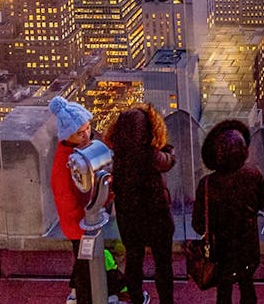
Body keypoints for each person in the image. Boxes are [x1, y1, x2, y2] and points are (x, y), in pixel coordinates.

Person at [104, 104, 176, 304]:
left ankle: (136, 299)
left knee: (134, 261)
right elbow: (169, 161)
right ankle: (166, 301)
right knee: (163, 264)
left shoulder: (119, 156)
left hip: (129, 217)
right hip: (157, 215)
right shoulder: (150, 155)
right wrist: (167, 147)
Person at [193, 120, 264, 304]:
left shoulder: (207, 184)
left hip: (221, 251)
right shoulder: (254, 175)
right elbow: (261, 204)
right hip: (248, 247)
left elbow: (198, 224)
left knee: (223, 292)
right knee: (247, 285)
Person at [49, 96, 97, 304]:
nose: (86, 134)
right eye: (80, 132)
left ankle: (76, 292)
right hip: (79, 223)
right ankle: (81, 296)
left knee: (82, 260)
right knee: (84, 262)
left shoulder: (76, 151)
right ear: (68, 136)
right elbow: (66, 198)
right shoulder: (65, 163)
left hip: (82, 220)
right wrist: (86, 221)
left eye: (88, 128)